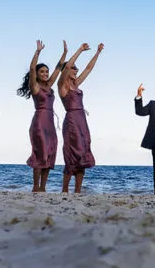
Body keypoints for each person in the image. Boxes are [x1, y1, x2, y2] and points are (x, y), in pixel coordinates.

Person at [19, 40, 68, 192]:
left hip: (50, 124)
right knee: (40, 154)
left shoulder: (49, 85)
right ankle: (35, 187)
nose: (46, 74)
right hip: (39, 123)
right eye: (42, 72)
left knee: (50, 154)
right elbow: (33, 68)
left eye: (46, 72)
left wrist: (65, 53)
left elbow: (59, 69)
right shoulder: (35, 87)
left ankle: (43, 188)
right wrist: (38, 51)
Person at [58, 43, 104, 193]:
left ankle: (78, 191)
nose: (76, 70)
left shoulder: (76, 84)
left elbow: (88, 69)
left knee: (83, 153)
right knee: (72, 153)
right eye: (73, 68)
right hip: (71, 121)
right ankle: (65, 190)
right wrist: (79, 50)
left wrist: (97, 53)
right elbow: (65, 67)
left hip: (82, 121)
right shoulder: (62, 86)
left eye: (76, 68)